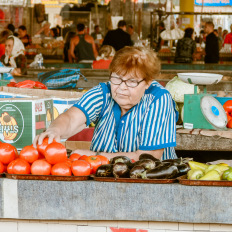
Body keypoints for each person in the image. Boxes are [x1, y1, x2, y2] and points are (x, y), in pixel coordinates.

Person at [34, 46, 178, 161]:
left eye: (132, 81)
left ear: (148, 82)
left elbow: (149, 158)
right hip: (102, 179)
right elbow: (71, 118)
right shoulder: (104, 92)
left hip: (149, 183)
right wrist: (54, 130)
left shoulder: (158, 99)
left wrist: (92, 156)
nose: (121, 87)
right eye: (117, 78)